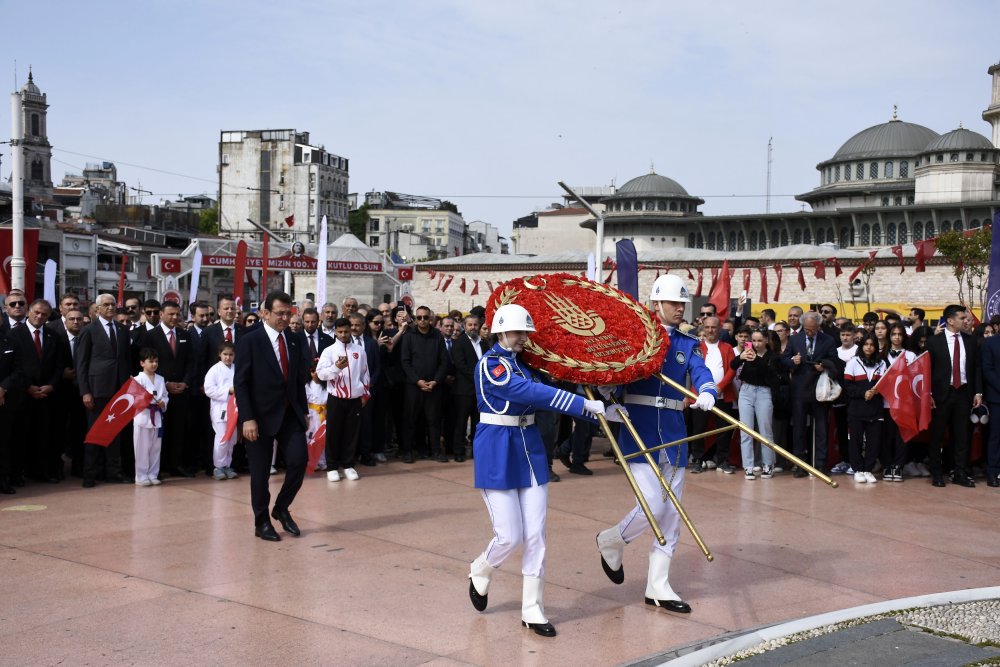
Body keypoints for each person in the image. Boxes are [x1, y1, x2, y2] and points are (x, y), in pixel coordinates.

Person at [467, 304, 607, 637]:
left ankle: (533, 609)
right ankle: (480, 568)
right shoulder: (491, 366)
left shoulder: (527, 365)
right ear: (500, 332)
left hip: (528, 447)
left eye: (525, 333)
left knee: (536, 536)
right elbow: (529, 392)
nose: (521, 339)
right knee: (509, 535)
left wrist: (602, 408)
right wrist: (582, 405)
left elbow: (554, 386)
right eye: (516, 333)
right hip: (498, 447)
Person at [595, 273, 718, 615]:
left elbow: (701, 370)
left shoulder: (686, 343)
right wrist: (608, 396)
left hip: (675, 431)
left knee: (672, 515)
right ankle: (613, 539)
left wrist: (707, 390)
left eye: (682, 303)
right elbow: (609, 374)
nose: (679, 309)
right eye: (673, 303)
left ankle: (658, 585)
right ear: (656, 304)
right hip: (640, 427)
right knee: (653, 504)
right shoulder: (636, 339)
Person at [235, 291, 309, 541]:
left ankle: (281, 508)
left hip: (290, 413)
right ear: (265, 313)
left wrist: (304, 411)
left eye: (289, 313)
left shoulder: (295, 339)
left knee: (299, 460)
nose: (285, 318)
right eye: (280, 313)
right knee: (260, 473)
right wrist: (247, 417)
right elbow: (241, 382)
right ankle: (262, 522)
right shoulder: (249, 340)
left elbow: (299, 378)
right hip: (259, 417)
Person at [76, 294, 133, 487]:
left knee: (115, 432)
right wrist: (85, 391)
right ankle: (90, 473)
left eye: (112, 305)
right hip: (97, 389)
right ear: (97, 309)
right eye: (106, 305)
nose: (110, 308)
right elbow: (81, 364)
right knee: (94, 432)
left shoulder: (123, 330)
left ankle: (113, 471)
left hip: (120, 389)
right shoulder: (89, 330)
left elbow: (126, 359)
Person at [925, 304, 981, 488]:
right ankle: (937, 472)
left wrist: (978, 392)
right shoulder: (934, 342)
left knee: (962, 436)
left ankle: (959, 472)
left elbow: (976, 369)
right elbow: (927, 370)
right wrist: (929, 393)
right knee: (938, 435)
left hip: (964, 394)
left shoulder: (971, 341)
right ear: (950, 320)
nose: (966, 321)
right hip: (941, 395)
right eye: (962, 318)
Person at [782, 311, 840, 477]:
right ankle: (800, 463)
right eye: (807, 329)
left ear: (818, 327)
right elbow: (784, 360)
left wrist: (824, 365)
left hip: (819, 387)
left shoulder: (827, 340)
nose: (809, 332)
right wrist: (793, 361)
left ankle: (820, 463)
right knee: (799, 427)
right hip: (800, 388)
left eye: (812, 330)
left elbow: (835, 360)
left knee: (821, 427)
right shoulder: (794, 339)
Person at [317, 317, 370, 481]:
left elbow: (365, 374)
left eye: (346, 331)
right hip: (336, 398)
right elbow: (321, 374)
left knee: (351, 433)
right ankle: (332, 466)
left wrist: (365, 394)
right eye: (340, 332)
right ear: (335, 332)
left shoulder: (359, 351)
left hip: (354, 399)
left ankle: (348, 464)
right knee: (333, 433)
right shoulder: (329, 351)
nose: (343, 334)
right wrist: (336, 368)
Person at [689, 316, 737, 474]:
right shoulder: (696, 347)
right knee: (699, 429)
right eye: (707, 327)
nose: (710, 330)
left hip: (723, 395)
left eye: (713, 327)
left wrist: (720, 387)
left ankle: (722, 460)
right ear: (703, 328)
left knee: (723, 430)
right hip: (700, 395)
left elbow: (732, 370)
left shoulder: (727, 348)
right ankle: (697, 459)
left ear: (719, 328)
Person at [399, 306, 448, 463]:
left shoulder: (437, 336)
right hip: (413, 386)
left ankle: (435, 451)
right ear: (415, 318)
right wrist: (417, 381)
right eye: (419, 317)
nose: (422, 321)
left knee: (433, 420)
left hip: (434, 386)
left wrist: (436, 380)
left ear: (430, 319)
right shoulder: (408, 336)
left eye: (425, 317)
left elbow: (444, 361)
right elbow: (405, 362)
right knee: (410, 420)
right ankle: (407, 452)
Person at [731, 328, 782, 480]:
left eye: (760, 340)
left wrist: (757, 359)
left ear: (767, 340)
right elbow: (733, 365)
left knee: (765, 430)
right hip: (746, 391)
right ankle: (748, 466)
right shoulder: (747, 352)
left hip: (764, 392)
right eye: (754, 340)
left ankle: (768, 464)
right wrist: (741, 357)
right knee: (745, 430)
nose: (756, 344)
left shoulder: (773, 356)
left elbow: (772, 377)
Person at [843, 332, 885, 484]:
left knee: (874, 442)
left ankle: (868, 469)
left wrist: (876, 391)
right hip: (856, 410)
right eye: (866, 344)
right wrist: (863, 393)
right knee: (855, 441)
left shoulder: (882, 363)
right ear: (862, 346)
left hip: (876, 410)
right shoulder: (853, 362)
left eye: (872, 345)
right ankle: (858, 469)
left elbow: (885, 385)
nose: (869, 347)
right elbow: (848, 386)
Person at [882, 324, 915, 481]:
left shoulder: (911, 355)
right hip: (885, 403)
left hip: (904, 403)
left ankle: (899, 466)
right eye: (894, 334)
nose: (897, 337)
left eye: (900, 334)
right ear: (889, 336)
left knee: (902, 436)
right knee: (887, 436)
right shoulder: (881, 355)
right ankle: (887, 465)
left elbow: (915, 378)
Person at [132, 347, 169, 486]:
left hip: (157, 416)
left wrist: (163, 403)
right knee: (142, 447)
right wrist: (148, 401)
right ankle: (141, 476)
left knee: (155, 447)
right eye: (151, 361)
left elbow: (165, 395)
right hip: (143, 416)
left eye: (156, 361)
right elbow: (134, 399)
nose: (154, 364)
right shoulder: (137, 380)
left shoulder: (160, 379)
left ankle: (153, 474)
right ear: (142, 363)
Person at [204, 341, 238, 480]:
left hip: (235, 408)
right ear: (219, 354)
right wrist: (228, 391)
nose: (228, 358)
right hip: (220, 408)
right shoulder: (214, 370)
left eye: (230, 355)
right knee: (222, 438)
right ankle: (218, 466)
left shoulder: (237, 368)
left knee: (232, 439)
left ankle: (227, 465)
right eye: (225, 354)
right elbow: (209, 389)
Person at [831, 323, 858, 475]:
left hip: (854, 397)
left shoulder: (859, 351)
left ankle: (855, 461)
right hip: (839, 397)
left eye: (848, 335)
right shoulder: (835, 352)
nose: (845, 337)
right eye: (843, 335)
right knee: (841, 429)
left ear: (854, 335)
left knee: (854, 431)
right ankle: (845, 460)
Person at [980, 321, 1000, 487]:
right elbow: (987, 370)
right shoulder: (990, 344)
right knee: (996, 435)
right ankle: (993, 471)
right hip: (997, 397)